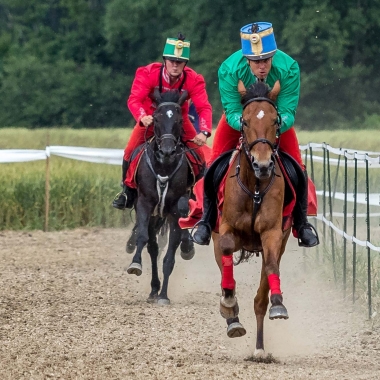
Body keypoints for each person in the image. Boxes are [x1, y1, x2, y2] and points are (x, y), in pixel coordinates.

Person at [192, 22, 319, 248]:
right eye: (256, 61)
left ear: (273, 56)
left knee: (298, 168)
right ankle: (205, 220)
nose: (262, 66)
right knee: (212, 166)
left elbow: (288, 111)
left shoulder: (289, 68)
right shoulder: (229, 69)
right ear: (246, 59)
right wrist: (244, 123)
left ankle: (302, 224)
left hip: (274, 122)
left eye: (267, 60)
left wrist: (274, 123)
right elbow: (231, 109)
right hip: (240, 121)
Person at [112, 33, 212, 209]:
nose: (175, 65)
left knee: (200, 155)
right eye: (171, 60)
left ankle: (198, 194)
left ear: (185, 64)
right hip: (151, 119)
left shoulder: (193, 80)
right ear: (164, 60)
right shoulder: (148, 73)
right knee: (129, 151)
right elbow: (134, 100)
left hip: (179, 122)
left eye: (179, 62)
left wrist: (204, 132)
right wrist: (142, 116)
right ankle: (127, 191)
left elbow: (204, 108)